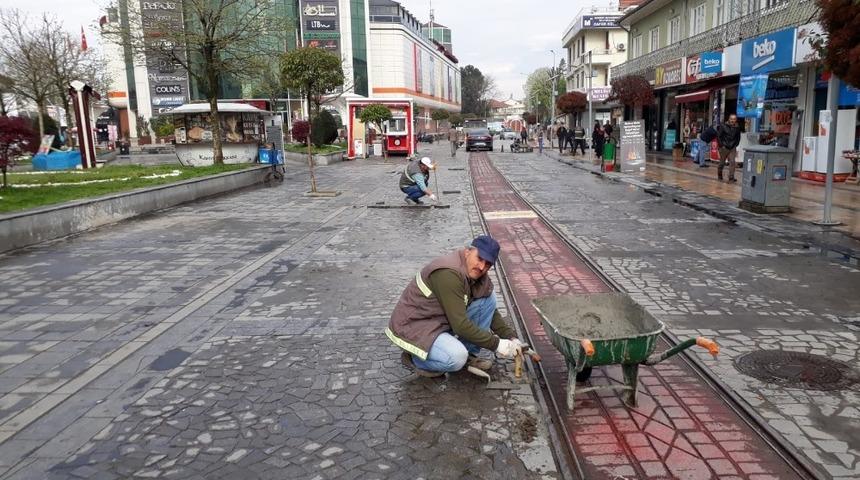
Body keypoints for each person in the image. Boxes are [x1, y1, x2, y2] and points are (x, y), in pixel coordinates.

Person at [387, 235, 524, 377]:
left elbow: (489, 311)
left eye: (488, 263)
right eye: (479, 258)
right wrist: (497, 344)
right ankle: (416, 359)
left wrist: (511, 337)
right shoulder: (448, 273)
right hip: (414, 326)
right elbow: (460, 325)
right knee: (456, 358)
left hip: (439, 320)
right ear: (467, 252)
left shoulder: (476, 273)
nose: (482, 267)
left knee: (488, 298)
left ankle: (469, 354)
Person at [716, 114, 741, 182]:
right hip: (724, 147)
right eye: (731, 119)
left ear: (736, 120)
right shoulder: (723, 126)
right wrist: (721, 145)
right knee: (722, 163)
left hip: (732, 147)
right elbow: (718, 136)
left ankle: (731, 177)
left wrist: (736, 144)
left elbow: (738, 137)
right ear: (729, 119)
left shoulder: (737, 127)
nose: (733, 120)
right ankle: (719, 174)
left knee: (732, 162)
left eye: (734, 119)